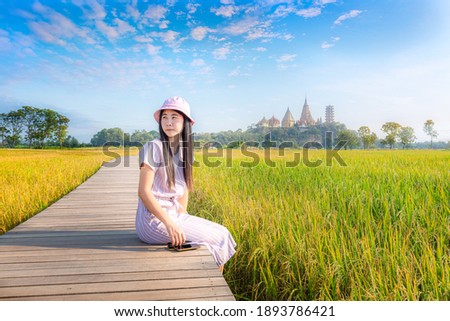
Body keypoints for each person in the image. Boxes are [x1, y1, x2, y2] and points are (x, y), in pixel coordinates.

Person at [135, 96, 236, 272]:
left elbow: (183, 190)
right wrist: (170, 223)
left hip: (173, 215)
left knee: (224, 234)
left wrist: (183, 217)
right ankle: (212, 288)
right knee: (217, 240)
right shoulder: (153, 147)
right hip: (152, 221)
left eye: (174, 117)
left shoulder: (185, 152)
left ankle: (213, 283)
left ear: (185, 123)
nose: (168, 122)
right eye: (164, 117)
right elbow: (144, 192)